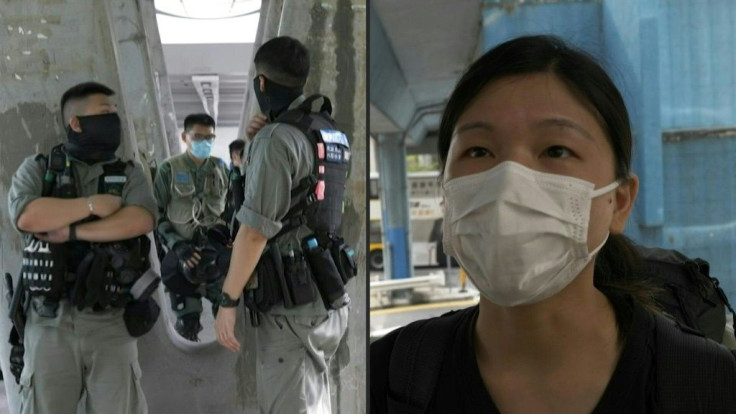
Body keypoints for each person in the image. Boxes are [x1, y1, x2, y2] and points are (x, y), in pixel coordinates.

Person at [370, 35, 736, 413]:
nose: (509, 181)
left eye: (556, 150)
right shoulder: (386, 377)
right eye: (478, 151)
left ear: (619, 202)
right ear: (446, 193)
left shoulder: (708, 385)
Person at [214, 36, 353, 413]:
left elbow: (256, 230)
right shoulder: (328, 132)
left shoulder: (276, 140)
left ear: (261, 83)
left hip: (292, 305)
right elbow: (305, 203)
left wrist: (228, 299)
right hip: (325, 293)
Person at [8, 81, 157, 413]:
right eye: (104, 112)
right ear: (76, 123)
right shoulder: (39, 168)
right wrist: (93, 206)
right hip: (50, 324)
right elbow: (28, 216)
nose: (114, 119)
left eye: (115, 113)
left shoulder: (130, 173)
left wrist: (72, 232)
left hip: (112, 323)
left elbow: (140, 220)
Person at [153, 113, 230, 341]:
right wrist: (177, 246)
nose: (205, 142)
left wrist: (228, 237)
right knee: (187, 326)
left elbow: (232, 208)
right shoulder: (169, 169)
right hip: (182, 259)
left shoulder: (221, 168)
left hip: (215, 256)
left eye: (210, 137)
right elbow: (155, 213)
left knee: (229, 321)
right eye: (198, 136)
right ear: (185, 137)